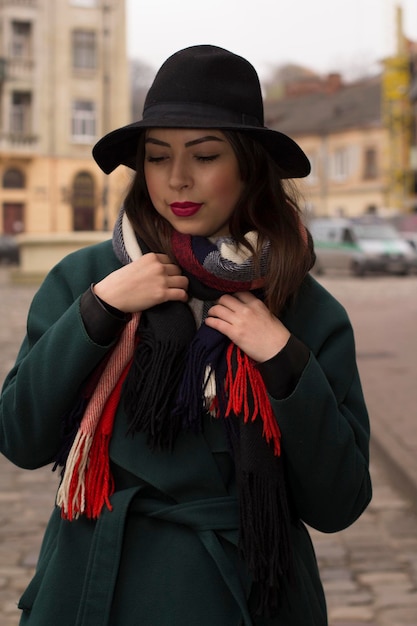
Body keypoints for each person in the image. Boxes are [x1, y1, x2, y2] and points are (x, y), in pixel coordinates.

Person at [0, 45, 372, 626]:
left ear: (249, 165)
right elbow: (21, 438)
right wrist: (99, 312)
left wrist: (284, 363)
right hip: (95, 591)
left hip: (248, 599)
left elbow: (339, 503)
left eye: (204, 155)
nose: (176, 178)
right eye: (156, 157)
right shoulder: (86, 279)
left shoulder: (303, 308)